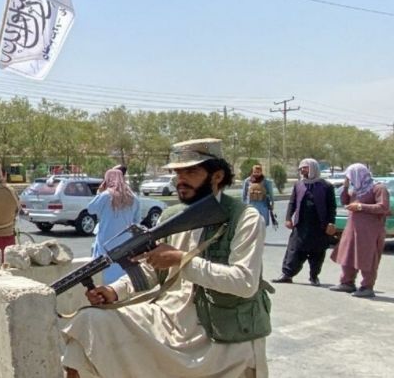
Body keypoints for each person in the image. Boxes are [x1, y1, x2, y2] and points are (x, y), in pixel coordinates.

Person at [60, 139, 271, 378]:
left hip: (218, 332)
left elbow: (244, 282)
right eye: (178, 173)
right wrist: (115, 291)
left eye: (191, 172)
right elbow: (152, 270)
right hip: (169, 317)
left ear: (217, 176)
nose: (180, 180)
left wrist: (180, 260)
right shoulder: (172, 217)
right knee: (87, 324)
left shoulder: (245, 219)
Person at [329, 163, 390, 298]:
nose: (349, 179)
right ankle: (347, 283)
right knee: (348, 255)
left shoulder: (378, 188)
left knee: (368, 258)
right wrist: (345, 186)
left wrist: (361, 207)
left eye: (350, 176)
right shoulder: (357, 190)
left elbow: (383, 207)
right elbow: (344, 200)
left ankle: (367, 287)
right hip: (353, 229)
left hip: (370, 232)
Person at [273, 159, 336, 286]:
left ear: (313, 168)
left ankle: (314, 277)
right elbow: (292, 202)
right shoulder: (299, 185)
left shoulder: (326, 186)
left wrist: (331, 222)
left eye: (305, 168)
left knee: (317, 252)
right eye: (301, 168)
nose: (302, 170)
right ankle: (287, 274)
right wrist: (288, 218)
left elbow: (331, 206)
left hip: (319, 226)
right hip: (301, 225)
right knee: (294, 250)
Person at [87, 168, 140, 285]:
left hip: (106, 240)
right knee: (121, 269)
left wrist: (99, 192)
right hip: (125, 241)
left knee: (106, 269)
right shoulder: (133, 197)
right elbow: (137, 220)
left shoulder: (105, 195)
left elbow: (91, 209)